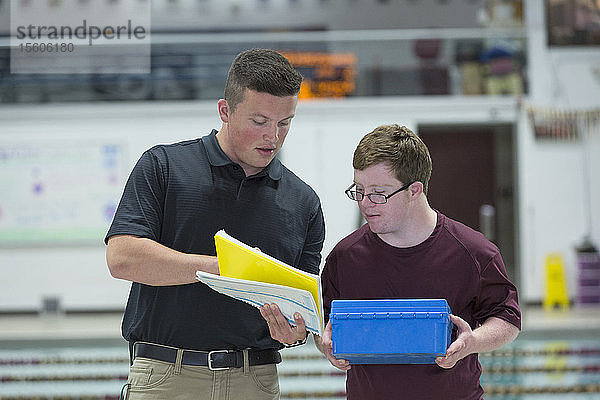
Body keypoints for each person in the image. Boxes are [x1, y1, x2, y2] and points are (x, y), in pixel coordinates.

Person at [105, 48, 324, 399]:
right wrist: (224, 268)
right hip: (166, 377)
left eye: (285, 123)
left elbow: (303, 310)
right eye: (259, 121)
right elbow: (123, 257)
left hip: (256, 379)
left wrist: (293, 332)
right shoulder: (163, 167)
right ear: (225, 111)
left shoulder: (303, 202)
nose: (273, 136)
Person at [317, 124, 521, 400]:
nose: (365, 203)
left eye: (379, 193)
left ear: (415, 190)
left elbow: (507, 318)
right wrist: (325, 344)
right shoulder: (345, 257)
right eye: (359, 190)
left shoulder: (473, 252)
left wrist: (473, 342)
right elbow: (325, 324)